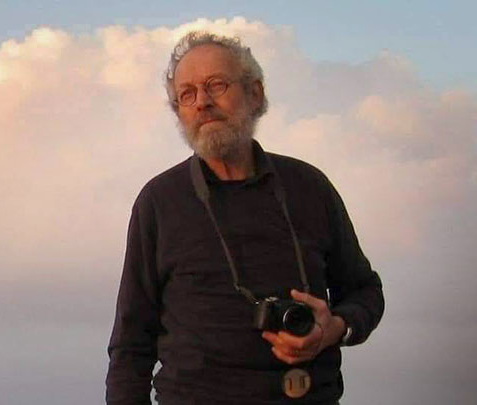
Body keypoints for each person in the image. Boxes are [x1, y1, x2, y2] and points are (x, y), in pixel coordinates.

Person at [106, 31, 385, 405]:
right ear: (179, 113)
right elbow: (130, 343)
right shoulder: (159, 201)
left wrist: (335, 327)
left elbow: (365, 292)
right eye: (186, 94)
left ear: (255, 93)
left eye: (216, 85)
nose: (202, 102)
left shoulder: (310, 187)